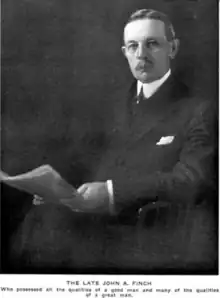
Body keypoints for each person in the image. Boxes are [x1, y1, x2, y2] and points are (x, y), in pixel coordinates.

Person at [11, 9, 216, 273]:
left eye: (152, 44)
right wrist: (52, 186)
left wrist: (111, 193)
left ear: (173, 48)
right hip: (91, 223)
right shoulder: (113, 105)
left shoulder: (199, 110)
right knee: (38, 220)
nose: (141, 54)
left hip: (150, 232)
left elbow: (192, 179)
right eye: (133, 46)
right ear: (125, 53)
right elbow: (84, 157)